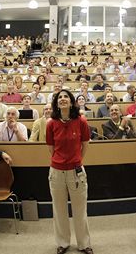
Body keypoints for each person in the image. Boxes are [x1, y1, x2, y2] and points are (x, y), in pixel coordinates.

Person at [45, 89, 94, 254]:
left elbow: (85, 143)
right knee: (59, 210)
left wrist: (76, 160)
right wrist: (61, 161)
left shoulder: (81, 121)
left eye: (66, 96)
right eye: (60, 97)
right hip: (57, 172)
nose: (63, 99)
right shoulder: (51, 123)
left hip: (76, 171)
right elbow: (51, 149)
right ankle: (63, 243)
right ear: (56, 103)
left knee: (80, 210)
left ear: (72, 101)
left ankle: (84, 243)